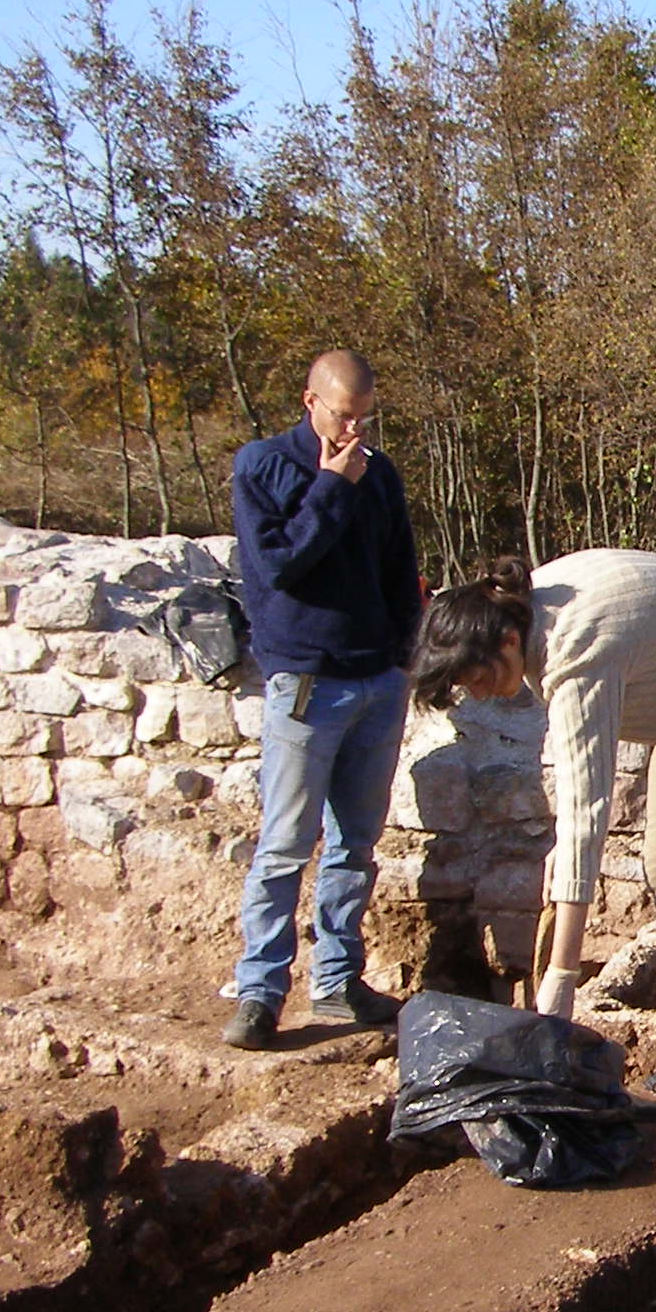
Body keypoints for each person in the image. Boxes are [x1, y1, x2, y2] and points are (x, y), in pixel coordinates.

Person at [408, 551, 656, 1114]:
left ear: (507, 642)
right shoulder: (525, 611)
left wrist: (562, 976)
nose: (483, 694)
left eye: (479, 677)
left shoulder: (575, 652)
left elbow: (585, 815)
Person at [220, 349, 422, 1050]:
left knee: (355, 847)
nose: (354, 432)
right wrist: (331, 486)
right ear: (311, 401)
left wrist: (404, 658)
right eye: (343, 416)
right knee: (284, 844)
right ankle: (259, 993)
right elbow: (278, 567)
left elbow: (401, 570)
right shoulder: (264, 466)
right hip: (306, 679)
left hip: (376, 680)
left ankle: (337, 980)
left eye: (365, 418)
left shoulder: (379, 473)